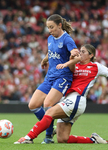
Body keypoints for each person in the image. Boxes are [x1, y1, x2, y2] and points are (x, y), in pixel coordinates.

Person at [14, 44, 108, 144]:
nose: (80, 53)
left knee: (49, 112)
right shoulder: (74, 64)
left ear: (91, 55)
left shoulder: (96, 67)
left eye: (83, 52)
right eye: (80, 51)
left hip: (76, 100)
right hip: (68, 100)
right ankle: (94, 140)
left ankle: (28, 138)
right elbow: (58, 55)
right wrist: (60, 59)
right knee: (62, 139)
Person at [27, 14, 79, 143]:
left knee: (48, 104)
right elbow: (51, 51)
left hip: (63, 77)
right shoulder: (50, 38)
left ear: (59, 25)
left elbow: (75, 54)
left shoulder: (67, 39)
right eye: (48, 27)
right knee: (33, 105)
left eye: (52, 27)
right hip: (50, 76)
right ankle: (50, 127)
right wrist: (45, 59)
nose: (50, 30)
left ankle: (48, 136)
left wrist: (73, 53)